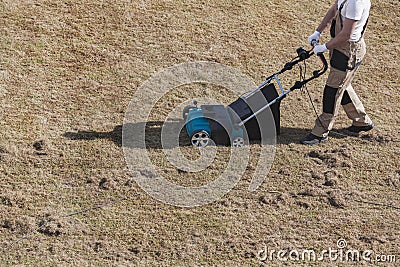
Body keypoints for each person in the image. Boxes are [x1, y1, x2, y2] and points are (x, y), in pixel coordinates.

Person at [301, 0, 374, 145]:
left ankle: (320, 132)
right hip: (339, 48)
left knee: (332, 91)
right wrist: (318, 31)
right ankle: (361, 121)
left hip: (348, 52)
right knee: (342, 85)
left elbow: (347, 34)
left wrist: (324, 47)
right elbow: (335, 8)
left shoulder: (355, 3)